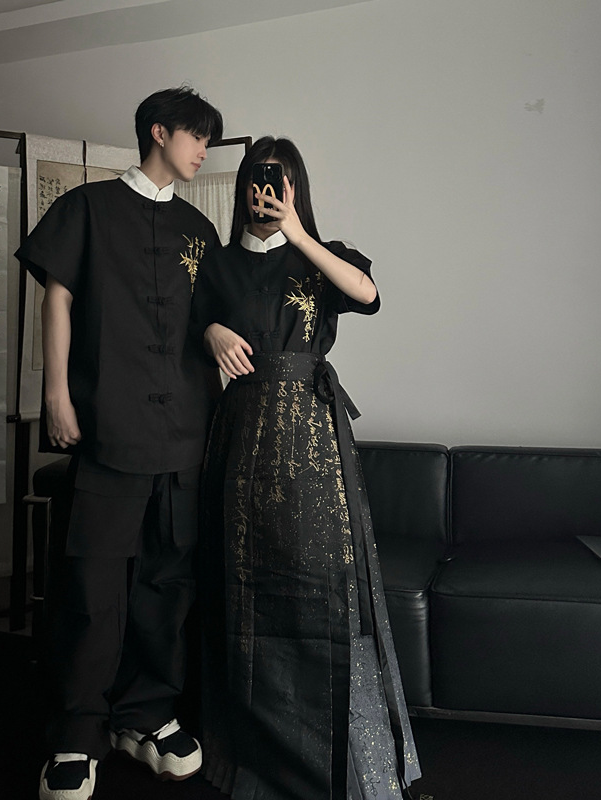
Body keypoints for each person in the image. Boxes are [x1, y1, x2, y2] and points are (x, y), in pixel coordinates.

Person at [191, 137, 421, 800]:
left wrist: (297, 232)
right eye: (258, 179)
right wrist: (209, 332)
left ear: (296, 188)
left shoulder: (321, 255)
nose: (266, 191)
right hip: (240, 434)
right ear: (243, 186)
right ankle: (252, 743)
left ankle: (340, 754)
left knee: (322, 579)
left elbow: (369, 295)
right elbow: (192, 327)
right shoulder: (218, 263)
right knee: (242, 577)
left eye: (280, 180)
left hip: (311, 438)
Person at [15, 86, 224, 800]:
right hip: (110, 425)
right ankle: (78, 731)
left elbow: (209, 317)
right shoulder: (86, 208)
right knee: (93, 584)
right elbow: (59, 298)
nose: (203, 150)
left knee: (168, 582)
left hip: (186, 432)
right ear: (159, 132)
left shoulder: (199, 229)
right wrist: (56, 394)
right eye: (197, 136)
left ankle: (148, 714)